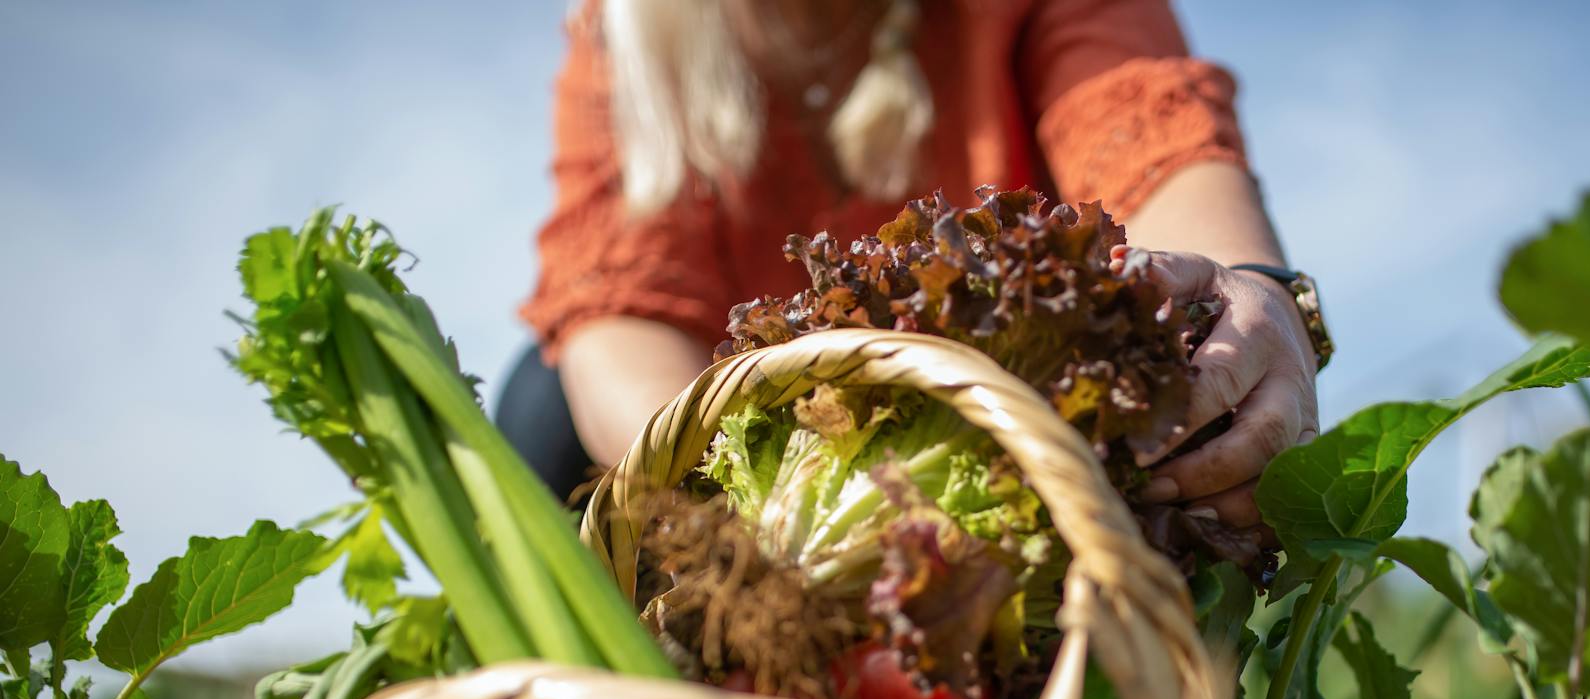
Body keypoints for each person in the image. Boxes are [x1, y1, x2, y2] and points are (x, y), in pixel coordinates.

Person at [496, 0, 1330, 539]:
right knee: (543, 409)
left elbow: (1157, 148)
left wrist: (1248, 291)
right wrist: (795, 528)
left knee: (1197, 422)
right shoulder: (626, 34)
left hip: (1019, 469)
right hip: (762, 495)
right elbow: (621, 323)